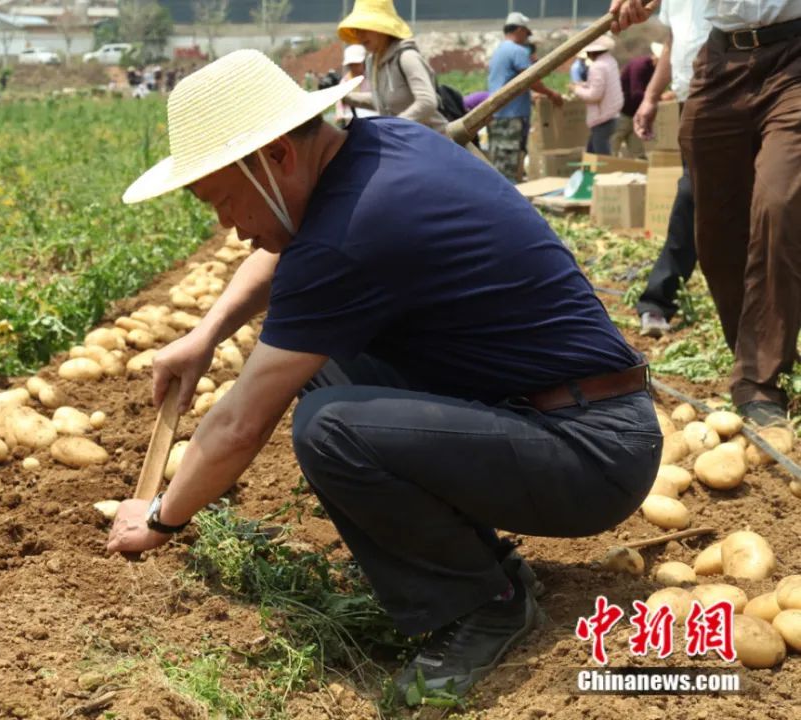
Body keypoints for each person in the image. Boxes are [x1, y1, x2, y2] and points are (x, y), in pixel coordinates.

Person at [111, 49, 659, 698]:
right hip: (564, 416)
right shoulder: (376, 143)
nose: (228, 229)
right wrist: (205, 336)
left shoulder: (355, 226)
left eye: (223, 202)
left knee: (329, 428)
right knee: (321, 370)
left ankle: (486, 606)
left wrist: (162, 518)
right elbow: (285, 244)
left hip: (590, 454)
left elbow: (238, 423)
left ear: (277, 158)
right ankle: (484, 567)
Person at [613, 0, 801, 426]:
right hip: (721, 62)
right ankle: (752, 352)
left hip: (794, 56)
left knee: (779, 205)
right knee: (716, 228)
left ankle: (759, 380)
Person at [631, 0, 712, 339]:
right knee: (692, 194)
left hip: (736, 89)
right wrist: (651, 96)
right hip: (690, 99)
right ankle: (658, 300)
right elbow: (673, 41)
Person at [337, 0, 450, 134]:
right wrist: (344, 96)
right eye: (357, 30)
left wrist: (394, 128)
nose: (360, 36)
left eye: (364, 29)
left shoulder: (407, 57)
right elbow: (382, 100)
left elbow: (427, 102)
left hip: (432, 139)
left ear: (381, 28)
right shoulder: (372, 61)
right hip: (403, 140)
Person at [487, 12, 564, 182]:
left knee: (499, 161)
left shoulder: (499, 50)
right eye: (526, 34)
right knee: (510, 163)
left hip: (497, 114)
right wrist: (551, 94)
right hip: (512, 116)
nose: (526, 38)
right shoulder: (518, 51)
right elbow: (531, 80)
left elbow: (508, 83)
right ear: (520, 30)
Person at [570, 36, 623, 155]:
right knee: (591, 152)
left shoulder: (597, 66)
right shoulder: (610, 62)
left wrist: (576, 89)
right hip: (611, 114)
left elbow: (594, 95)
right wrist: (584, 85)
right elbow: (601, 86)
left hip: (602, 116)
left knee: (601, 157)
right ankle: (589, 173)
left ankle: (607, 173)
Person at [610, 43, 660, 157]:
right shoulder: (640, 66)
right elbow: (636, 93)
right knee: (614, 142)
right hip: (623, 110)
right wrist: (658, 98)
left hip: (634, 112)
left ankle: (640, 168)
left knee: (636, 148)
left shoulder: (652, 69)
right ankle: (607, 167)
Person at [335, 44, 378, 127]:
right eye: (351, 65)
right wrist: (339, 113)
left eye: (357, 64)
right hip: (353, 121)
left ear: (364, 62)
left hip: (373, 118)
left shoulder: (371, 78)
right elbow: (339, 101)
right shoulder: (345, 82)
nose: (354, 67)